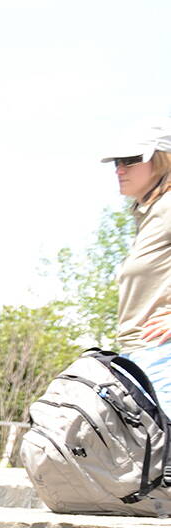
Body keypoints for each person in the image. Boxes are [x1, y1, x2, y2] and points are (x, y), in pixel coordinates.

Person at [104, 120, 171, 398]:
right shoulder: (149, 212)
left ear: (161, 159)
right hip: (138, 355)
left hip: (162, 357)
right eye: (117, 161)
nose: (120, 169)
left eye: (131, 160)